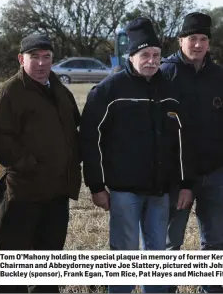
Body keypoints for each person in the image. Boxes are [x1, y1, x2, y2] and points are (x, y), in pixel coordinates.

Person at [80, 17, 194, 293]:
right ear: (131, 56)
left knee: (157, 255)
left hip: (160, 191)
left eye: (156, 55)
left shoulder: (169, 90)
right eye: (145, 55)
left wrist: (186, 183)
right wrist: (96, 186)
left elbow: (183, 141)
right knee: (124, 254)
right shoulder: (109, 90)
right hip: (124, 192)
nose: (152, 61)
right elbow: (89, 139)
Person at [0, 34, 81, 293]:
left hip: (56, 193)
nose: (42, 63)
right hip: (22, 193)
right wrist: (29, 164)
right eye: (35, 57)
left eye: (47, 57)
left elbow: (74, 128)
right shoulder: (11, 92)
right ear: (22, 59)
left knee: (48, 267)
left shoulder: (59, 89)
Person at [160, 12, 223, 293]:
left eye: (203, 39)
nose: (198, 44)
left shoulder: (219, 76)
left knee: (216, 243)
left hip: (215, 174)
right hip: (175, 177)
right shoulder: (164, 74)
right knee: (170, 243)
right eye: (192, 38)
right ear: (180, 40)